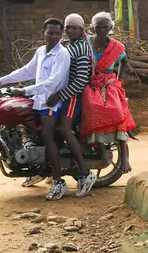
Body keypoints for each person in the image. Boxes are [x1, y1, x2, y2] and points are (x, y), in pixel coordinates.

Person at [0, 18, 72, 200]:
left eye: (57, 33)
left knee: (47, 136)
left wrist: (24, 90)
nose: (53, 36)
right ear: (43, 31)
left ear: (61, 35)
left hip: (52, 102)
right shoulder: (41, 52)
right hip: (38, 100)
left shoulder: (62, 54)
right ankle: (39, 168)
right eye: (50, 32)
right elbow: (26, 71)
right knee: (28, 130)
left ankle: (58, 181)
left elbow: (52, 82)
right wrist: (0, 81)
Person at [23, 13, 98, 197]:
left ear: (81, 30)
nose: (70, 30)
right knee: (51, 132)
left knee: (64, 130)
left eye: (74, 28)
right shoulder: (67, 45)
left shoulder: (79, 48)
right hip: (61, 95)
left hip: (73, 96)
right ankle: (48, 171)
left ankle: (84, 172)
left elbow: (80, 80)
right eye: (68, 27)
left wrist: (60, 95)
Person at [81, 12, 136, 173]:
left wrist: (118, 80)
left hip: (109, 84)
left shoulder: (116, 47)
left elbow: (124, 63)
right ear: (92, 28)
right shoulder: (87, 43)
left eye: (105, 27)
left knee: (118, 112)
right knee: (90, 107)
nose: (102, 30)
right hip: (91, 82)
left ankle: (124, 157)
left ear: (110, 28)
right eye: (98, 27)